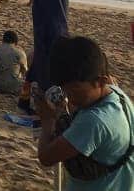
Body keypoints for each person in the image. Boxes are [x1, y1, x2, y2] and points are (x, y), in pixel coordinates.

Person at [34, 36, 134, 189]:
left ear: (101, 81)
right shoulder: (117, 94)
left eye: (75, 90)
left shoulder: (94, 121)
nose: (69, 97)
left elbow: (46, 157)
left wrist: (47, 121)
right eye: (65, 90)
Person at [0, 30, 29, 95]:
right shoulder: (19, 53)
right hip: (13, 87)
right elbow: (25, 71)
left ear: (3, 40)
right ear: (16, 42)